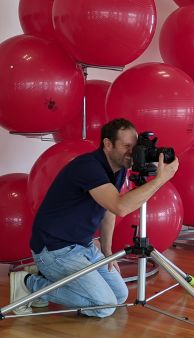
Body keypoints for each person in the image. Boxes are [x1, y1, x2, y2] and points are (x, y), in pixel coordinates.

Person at [9, 118, 179, 317]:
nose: (132, 152)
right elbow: (120, 206)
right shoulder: (88, 167)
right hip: (54, 249)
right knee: (104, 306)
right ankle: (29, 284)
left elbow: (109, 209)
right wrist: (160, 179)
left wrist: (107, 250)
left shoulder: (119, 168)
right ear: (108, 144)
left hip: (83, 246)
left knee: (120, 295)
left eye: (135, 146)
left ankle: (44, 276)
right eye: (126, 146)